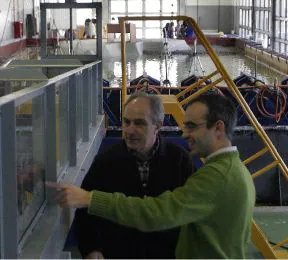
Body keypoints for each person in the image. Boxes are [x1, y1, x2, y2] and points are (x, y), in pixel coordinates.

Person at [48, 94, 256, 259]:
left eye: (192, 126)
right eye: (126, 122)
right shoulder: (235, 171)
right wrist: (92, 248)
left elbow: (157, 213)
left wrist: (90, 198)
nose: (184, 134)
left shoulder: (210, 174)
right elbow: (87, 220)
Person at [73, 92, 194, 259]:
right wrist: (92, 249)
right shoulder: (105, 162)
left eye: (139, 123)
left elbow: (191, 213)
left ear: (158, 126)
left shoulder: (180, 161)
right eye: (126, 122)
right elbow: (85, 211)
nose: (129, 130)